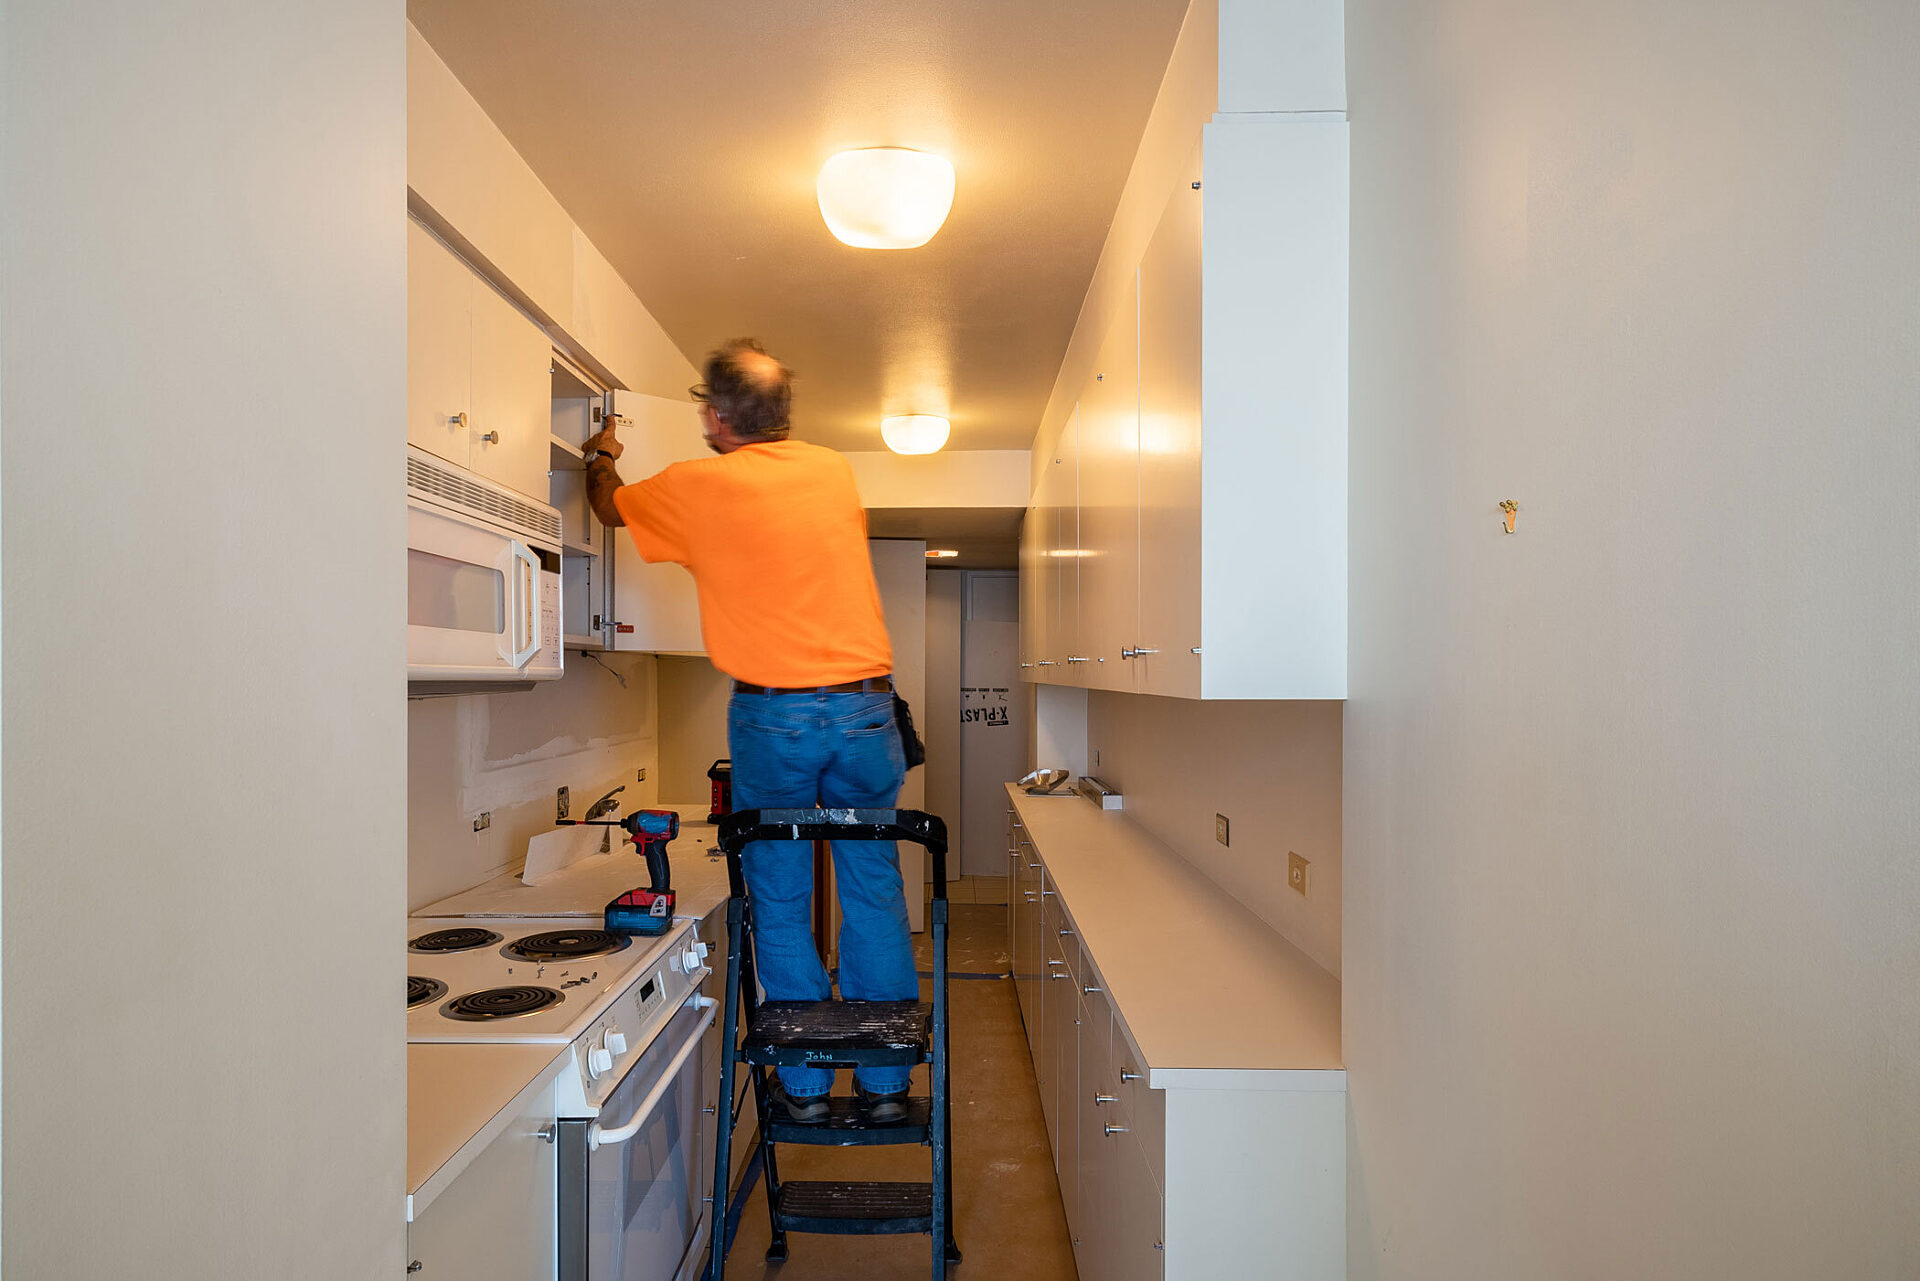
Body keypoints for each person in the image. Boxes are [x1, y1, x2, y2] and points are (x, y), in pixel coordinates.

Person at [580, 338, 915, 1125]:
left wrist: (602, 453)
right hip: (868, 711)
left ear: (715, 415)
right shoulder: (833, 470)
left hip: (776, 715)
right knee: (873, 888)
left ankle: (802, 1092)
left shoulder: (699, 486)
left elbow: (607, 505)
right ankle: (885, 1085)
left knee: (780, 890)